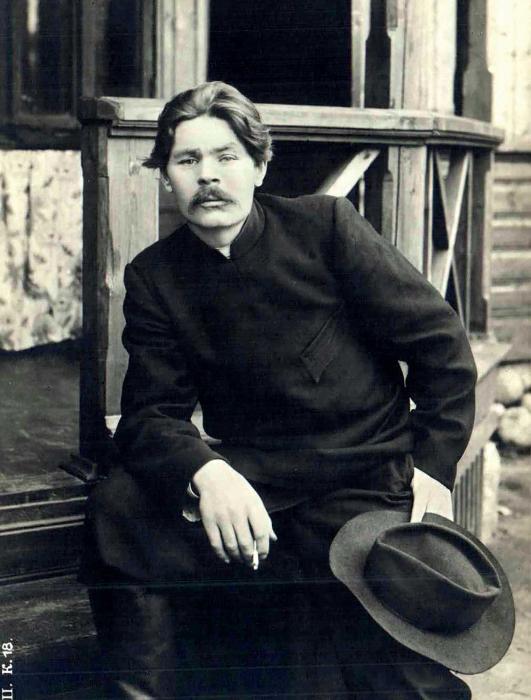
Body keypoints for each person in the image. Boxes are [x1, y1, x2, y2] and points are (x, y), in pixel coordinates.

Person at [82, 81, 477, 698]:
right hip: (259, 479)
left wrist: (434, 464)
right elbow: (149, 415)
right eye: (187, 160)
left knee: (395, 674)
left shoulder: (325, 228)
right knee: (120, 507)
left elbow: (442, 345)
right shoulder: (156, 276)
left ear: (260, 167)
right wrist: (209, 473)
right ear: (166, 177)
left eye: (226, 156)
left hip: (364, 475)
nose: (207, 176)